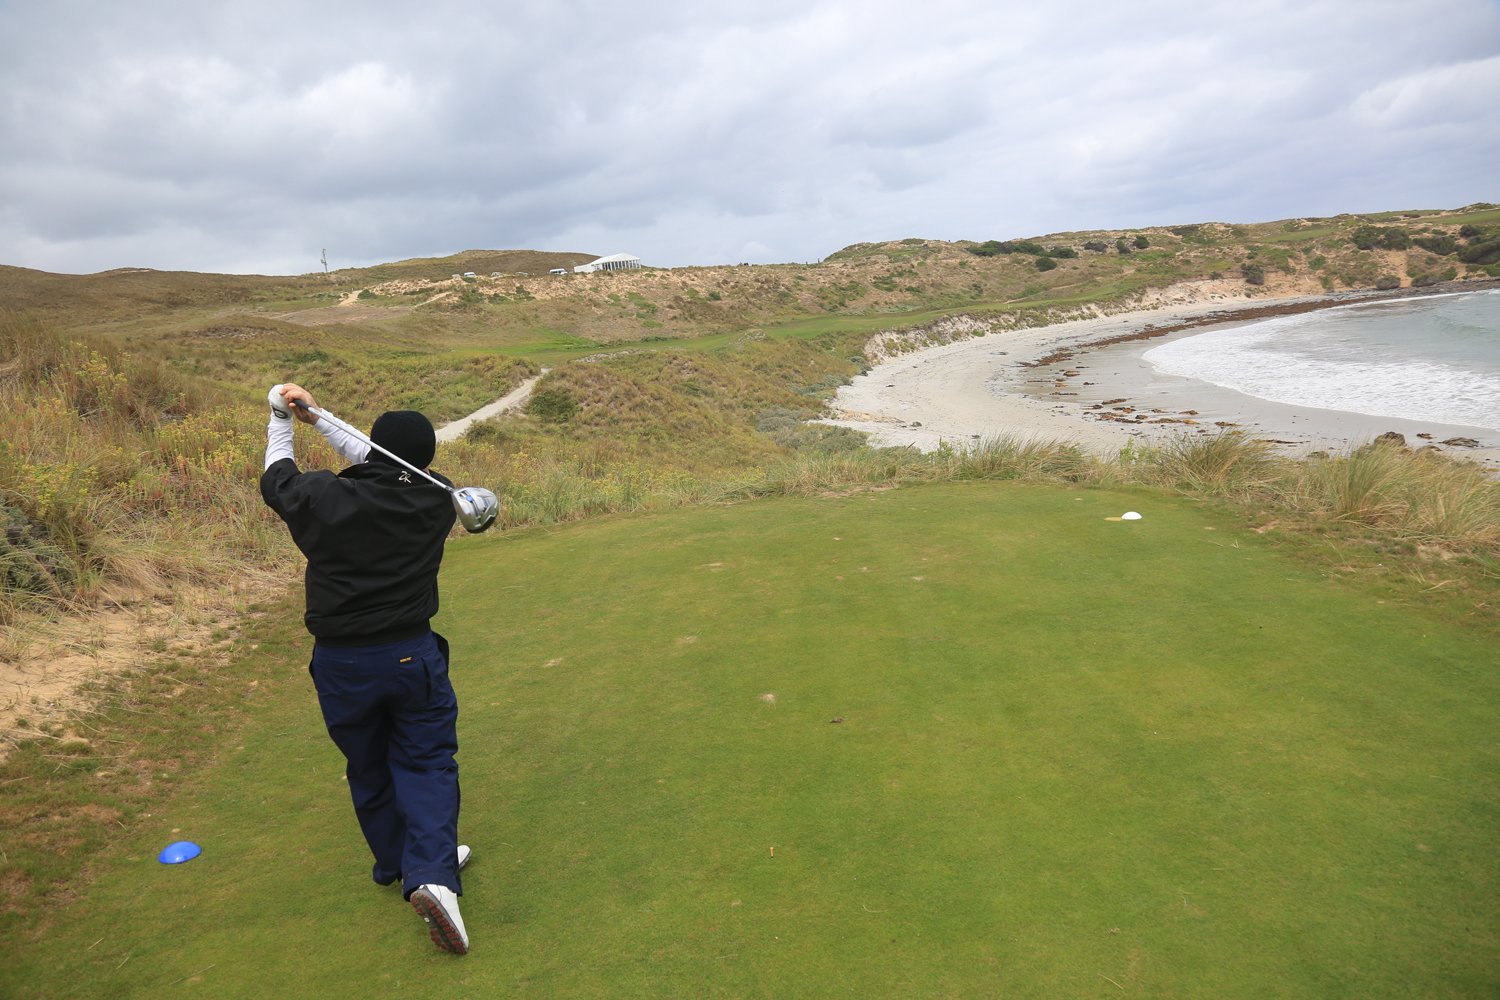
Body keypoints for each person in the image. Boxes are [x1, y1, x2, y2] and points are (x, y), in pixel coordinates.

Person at [259, 382, 472, 955]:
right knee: (425, 763)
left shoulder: (323, 497)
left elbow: (277, 477)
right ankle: (431, 876)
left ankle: (399, 863)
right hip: (411, 656)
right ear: (423, 460)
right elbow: (383, 464)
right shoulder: (437, 498)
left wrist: (284, 418)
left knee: (369, 763)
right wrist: (320, 417)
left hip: (340, 663)